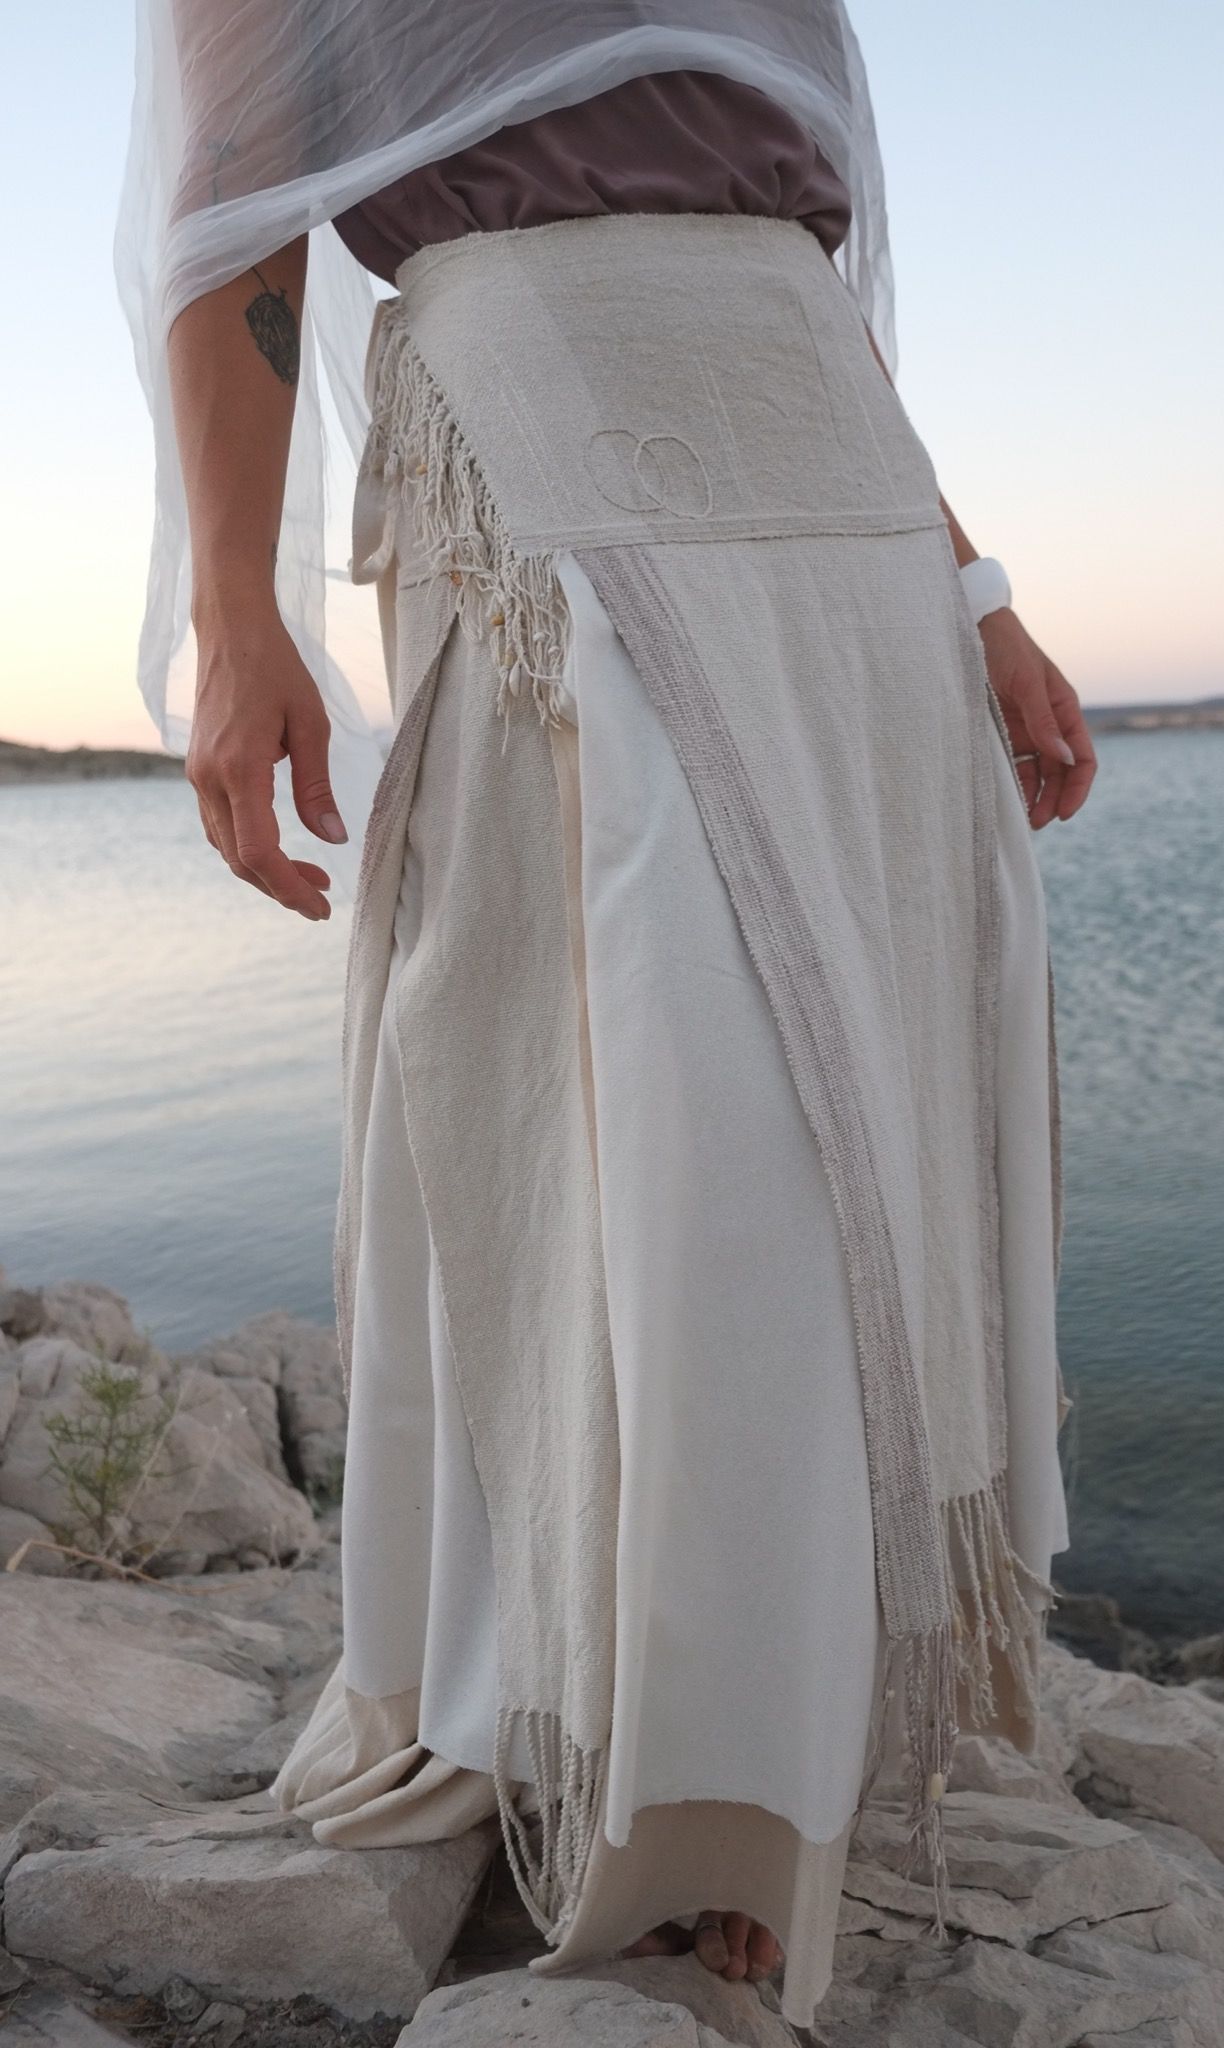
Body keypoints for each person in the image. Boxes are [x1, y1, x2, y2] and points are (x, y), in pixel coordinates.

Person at [118, 3, 1095, 2028]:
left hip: (827, 465)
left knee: (855, 1124)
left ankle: (753, 1743)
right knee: (645, 1109)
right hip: (545, 430)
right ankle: (613, 1742)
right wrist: (240, 613)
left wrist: (973, 584)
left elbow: (796, 243)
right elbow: (231, 206)